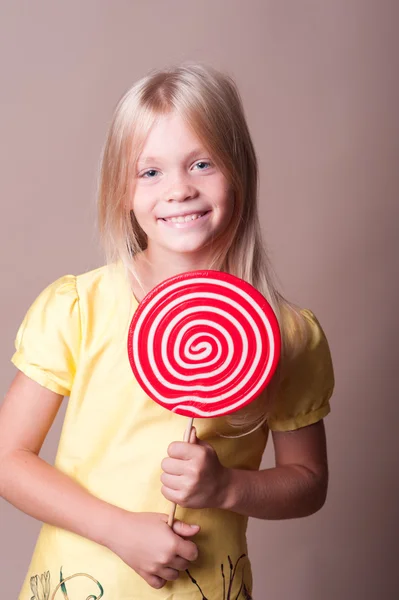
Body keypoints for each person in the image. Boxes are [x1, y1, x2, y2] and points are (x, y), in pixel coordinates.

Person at [0, 63, 334, 599]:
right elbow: (7, 457)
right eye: (149, 172)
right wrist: (117, 529)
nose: (178, 189)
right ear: (121, 190)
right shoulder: (80, 307)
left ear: (240, 171)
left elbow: (308, 483)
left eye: (201, 164)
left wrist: (228, 486)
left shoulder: (287, 334)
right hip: (78, 583)